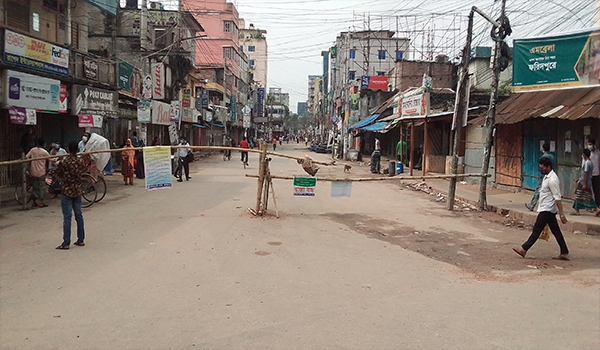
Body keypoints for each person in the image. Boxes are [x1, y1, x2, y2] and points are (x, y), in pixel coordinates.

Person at [513, 157, 569, 260]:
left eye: (543, 167)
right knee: (556, 231)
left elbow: (557, 197)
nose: (541, 169)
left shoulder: (552, 180)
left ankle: (524, 249)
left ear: (548, 167)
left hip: (547, 209)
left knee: (537, 229)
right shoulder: (546, 177)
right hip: (547, 208)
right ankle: (564, 252)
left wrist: (561, 213)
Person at [55, 141, 86, 250]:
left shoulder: (64, 162)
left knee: (67, 217)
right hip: (77, 190)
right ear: (77, 149)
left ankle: (66, 243)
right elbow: (83, 171)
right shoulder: (80, 161)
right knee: (79, 216)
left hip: (67, 191)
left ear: (68, 149)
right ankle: (81, 240)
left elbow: (58, 174)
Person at [525, 142, 556, 211]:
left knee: (538, 190)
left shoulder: (544, 157)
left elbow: (542, 168)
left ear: (543, 148)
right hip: (551, 175)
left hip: (544, 175)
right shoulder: (552, 157)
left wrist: (542, 175)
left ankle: (532, 205)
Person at [572, 148, 600, 216]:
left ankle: (577, 210)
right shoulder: (591, 162)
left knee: (579, 195)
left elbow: (586, 173)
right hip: (586, 181)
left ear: (584, 155)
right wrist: (579, 179)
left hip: (584, 182)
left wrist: (584, 183)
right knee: (587, 196)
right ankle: (596, 208)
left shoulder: (587, 163)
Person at [25, 138, 51, 208]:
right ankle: (41, 203)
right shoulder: (44, 152)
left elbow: (26, 157)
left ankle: (34, 202)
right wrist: (58, 158)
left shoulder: (33, 150)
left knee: (35, 187)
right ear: (44, 144)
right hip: (41, 172)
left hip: (33, 172)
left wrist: (30, 162)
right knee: (42, 188)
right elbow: (52, 159)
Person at [587, 138, 600, 207]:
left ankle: (597, 205)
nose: (589, 146)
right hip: (589, 175)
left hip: (596, 174)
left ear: (594, 145)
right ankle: (590, 206)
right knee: (588, 192)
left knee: (597, 191)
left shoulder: (598, 152)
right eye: (588, 144)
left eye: (590, 144)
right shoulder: (587, 153)